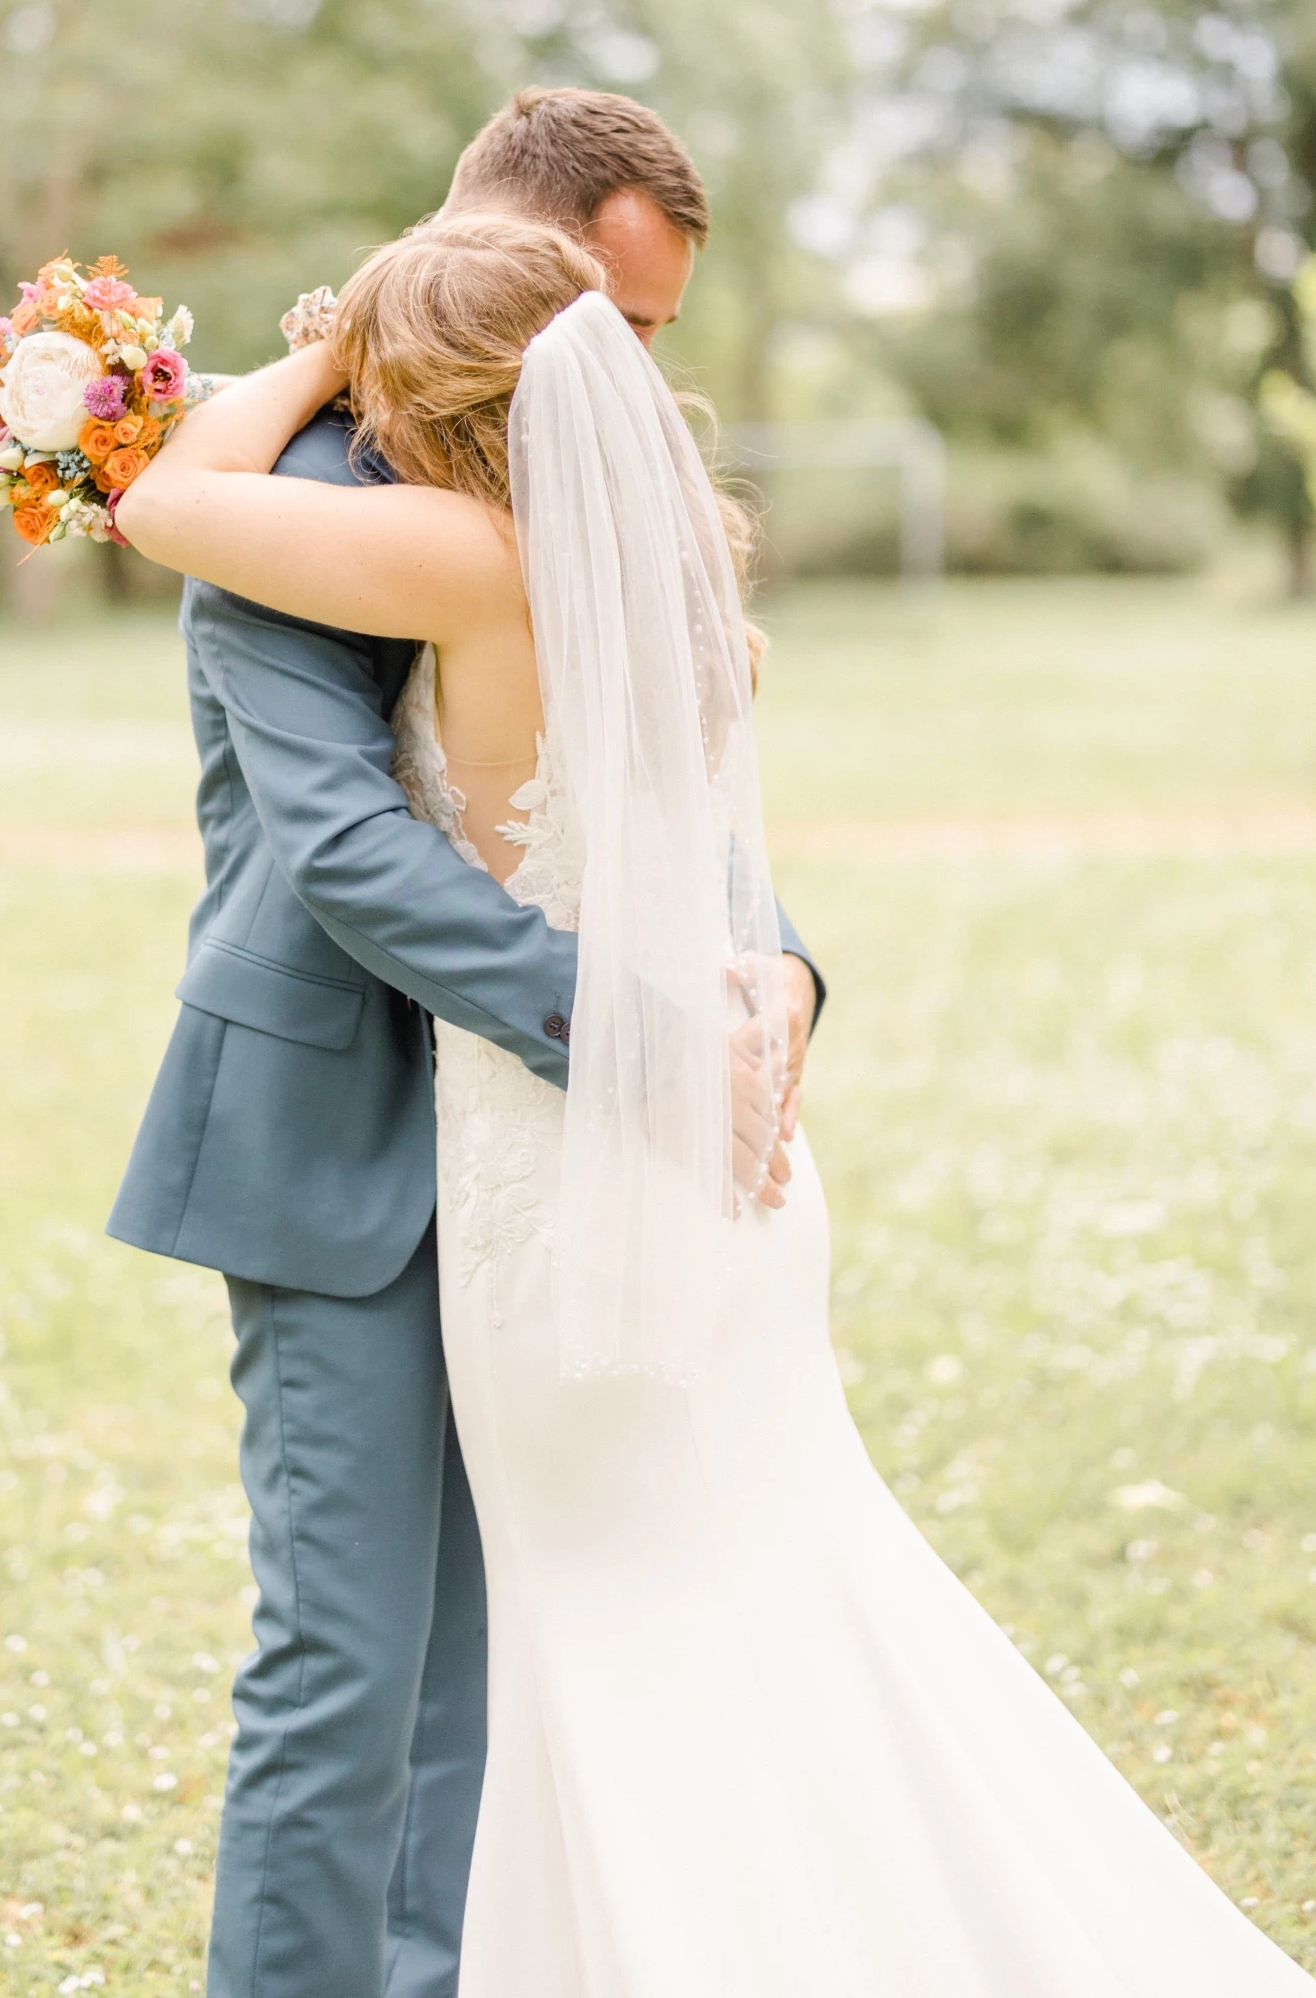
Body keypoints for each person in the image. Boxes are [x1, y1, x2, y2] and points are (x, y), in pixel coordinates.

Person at [119, 207, 1316, 1998]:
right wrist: (704, 1009)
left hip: (578, 1158)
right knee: (598, 1623)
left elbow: (159, 504)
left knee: (574, 1637)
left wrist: (318, 340)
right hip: (570, 1153)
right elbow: (394, 842)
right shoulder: (663, 560)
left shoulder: (443, 546)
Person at [106, 91, 825, 1998]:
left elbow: (664, 784)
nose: (630, 376)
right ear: (507, 260)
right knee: (348, 1659)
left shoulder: (580, 495)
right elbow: (344, 849)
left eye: (653, 337)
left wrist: (777, 964)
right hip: (338, 1135)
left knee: (501, 1660)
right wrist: (633, 1040)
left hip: (552, 1158)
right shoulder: (294, 490)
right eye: (616, 320)